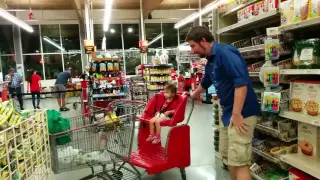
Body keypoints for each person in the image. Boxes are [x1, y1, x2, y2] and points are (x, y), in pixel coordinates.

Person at [186, 26, 260, 180]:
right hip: (228, 113)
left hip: (241, 114)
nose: (192, 50)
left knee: (240, 163)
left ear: (203, 41)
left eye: (193, 45)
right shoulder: (211, 60)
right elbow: (206, 81)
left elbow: (241, 83)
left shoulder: (225, 53)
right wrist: (192, 94)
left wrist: (237, 113)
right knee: (230, 160)